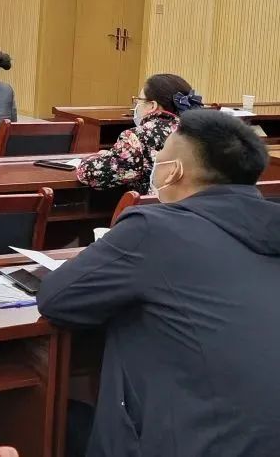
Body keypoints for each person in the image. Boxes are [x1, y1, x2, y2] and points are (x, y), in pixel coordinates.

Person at [38, 110, 280, 457]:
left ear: (175, 170)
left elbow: (57, 299)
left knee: (61, 420)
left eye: (161, 155)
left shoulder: (154, 229)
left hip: (190, 440)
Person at [75, 73, 202, 193]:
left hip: (158, 213)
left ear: (152, 105)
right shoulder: (202, 131)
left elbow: (91, 174)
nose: (136, 106)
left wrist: (98, 158)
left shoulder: (138, 137)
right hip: (202, 211)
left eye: (139, 100)